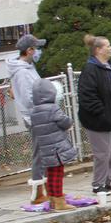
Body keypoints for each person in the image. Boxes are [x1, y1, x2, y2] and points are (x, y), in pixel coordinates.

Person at [77, 35, 111, 197]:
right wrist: (104, 114)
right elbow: (88, 97)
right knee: (102, 154)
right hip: (99, 121)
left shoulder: (110, 67)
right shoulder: (90, 70)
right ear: (98, 50)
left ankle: (110, 181)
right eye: (107, 46)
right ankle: (98, 184)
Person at [6, 34, 48, 204]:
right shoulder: (22, 72)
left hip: (39, 114)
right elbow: (28, 97)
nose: (38, 51)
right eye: (36, 48)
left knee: (43, 152)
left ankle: (42, 189)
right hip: (35, 116)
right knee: (40, 153)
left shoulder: (28, 68)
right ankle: (38, 192)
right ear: (29, 50)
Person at [29, 79, 78, 212]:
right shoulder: (53, 108)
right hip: (57, 147)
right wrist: (69, 121)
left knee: (50, 173)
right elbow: (64, 122)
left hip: (45, 148)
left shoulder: (34, 112)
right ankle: (58, 201)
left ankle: (52, 199)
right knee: (58, 174)